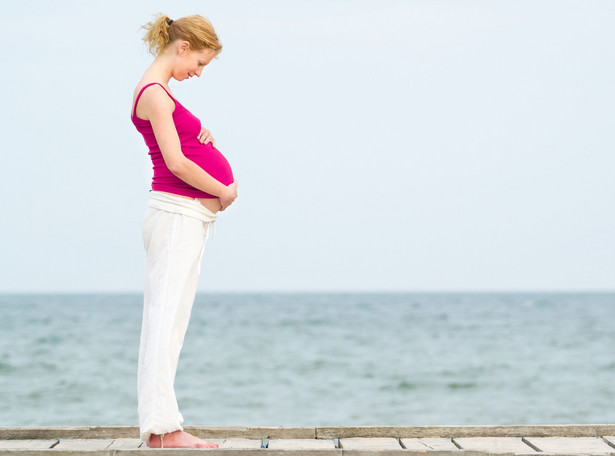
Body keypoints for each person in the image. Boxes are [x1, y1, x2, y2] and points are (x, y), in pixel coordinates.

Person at [130, 13, 237, 449]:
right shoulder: (154, 94)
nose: (198, 72)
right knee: (163, 322)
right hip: (176, 215)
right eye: (200, 63)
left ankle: (163, 427)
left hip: (185, 217)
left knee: (172, 322)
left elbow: (181, 145)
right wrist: (223, 191)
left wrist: (199, 132)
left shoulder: (163, 94)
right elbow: (175, 163)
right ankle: (162, 430)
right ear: (183, 47)